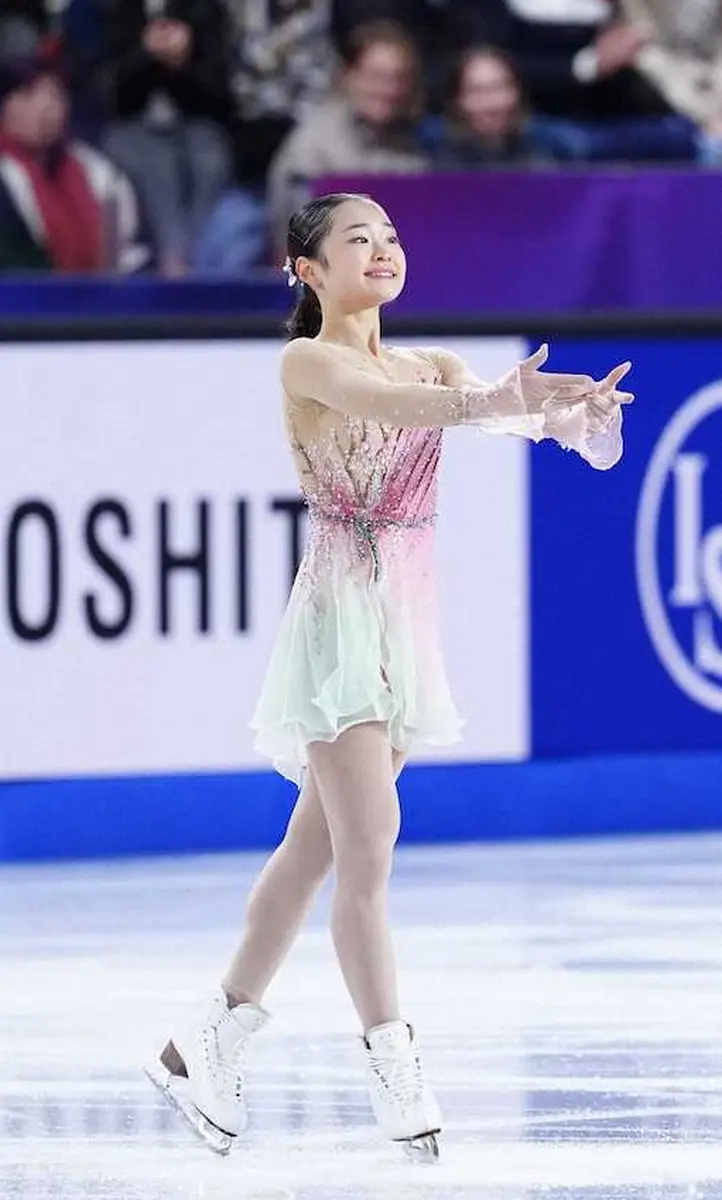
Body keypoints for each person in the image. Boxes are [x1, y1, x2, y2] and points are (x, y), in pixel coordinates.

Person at [145, 191, 634, 1159]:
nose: (381, 249)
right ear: (307, 270)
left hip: (404, 626)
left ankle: (206, 1037)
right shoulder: (307, 360)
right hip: (337, 623)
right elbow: (392, 407)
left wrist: (572, 415)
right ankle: (392, 1060)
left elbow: (525, 425)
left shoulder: (433, 363)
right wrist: (493, 402)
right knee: (368, 846)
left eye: (391, 236)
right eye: (356, 239)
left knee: (314, 850)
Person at [442, 0, 698, 161]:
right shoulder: (495, 12)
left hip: (615, 116)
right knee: (576, 147)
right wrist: (587, 66)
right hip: (538, 121)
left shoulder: (619, 9)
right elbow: (492, 64)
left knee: (682, 135)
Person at [268, 20, 428, 258]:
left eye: (398, 78)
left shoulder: (413, 147)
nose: (388, 89)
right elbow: (294, 241)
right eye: (376, 77)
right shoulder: (312, 145)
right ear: (350, 76)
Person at [103, 0, 234, 276]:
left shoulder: (204, 10)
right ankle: (173, 261)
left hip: (195, 125)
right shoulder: (117, 10)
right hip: (130, 129)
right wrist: (146, 55)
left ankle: (193, 259)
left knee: (211, 162)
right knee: (159, 166)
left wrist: (181, 62)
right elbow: (107, 93)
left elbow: (220, 96)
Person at [0, 50, 147, 272]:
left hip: (99, 289)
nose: (45, 107)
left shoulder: (94, 168)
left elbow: (127, 248)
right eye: (29, 95)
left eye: (55, 96)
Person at [423, 44, 552, 168]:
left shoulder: (548, 156)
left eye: (500, 87)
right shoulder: (433, 163)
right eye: (476, 91)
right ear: (456, 101)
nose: (491, 104)